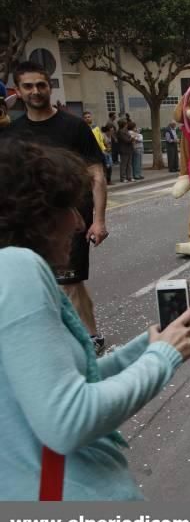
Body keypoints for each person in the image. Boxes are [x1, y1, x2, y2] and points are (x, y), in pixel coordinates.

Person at [0, 138, 190, 500]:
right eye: (70, 208)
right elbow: (68, 419)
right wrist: (161, 357)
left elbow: (71, 383)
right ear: (35, 214)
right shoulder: (16, 268)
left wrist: (149, 344)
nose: (78, 223)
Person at [6, 61, 108, 351]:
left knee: (70, 282)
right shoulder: (12, 133)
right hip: (29, 222)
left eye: (41, 85)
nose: (36, 91)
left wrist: (98, 220)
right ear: (19, 90)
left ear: (49, 87)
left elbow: (97, 175)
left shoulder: (74, 127)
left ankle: (90, 338)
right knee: (36, 280)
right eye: (28, 86)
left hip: (70, 218)